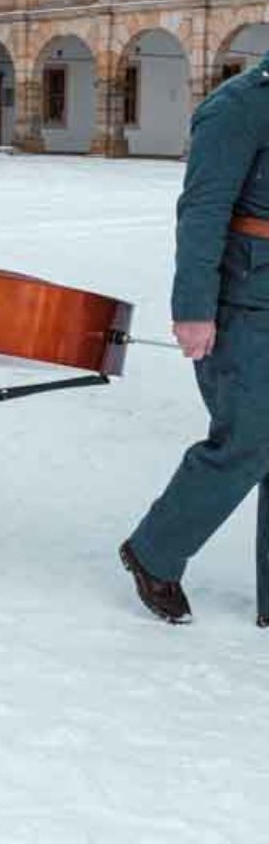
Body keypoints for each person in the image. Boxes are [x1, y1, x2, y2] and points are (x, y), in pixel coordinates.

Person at [121, 57, 269, 627]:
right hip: (246, 303)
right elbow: (202, 212)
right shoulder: (239, 106)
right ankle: (155, 551)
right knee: (248, 440)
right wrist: (193, 309)